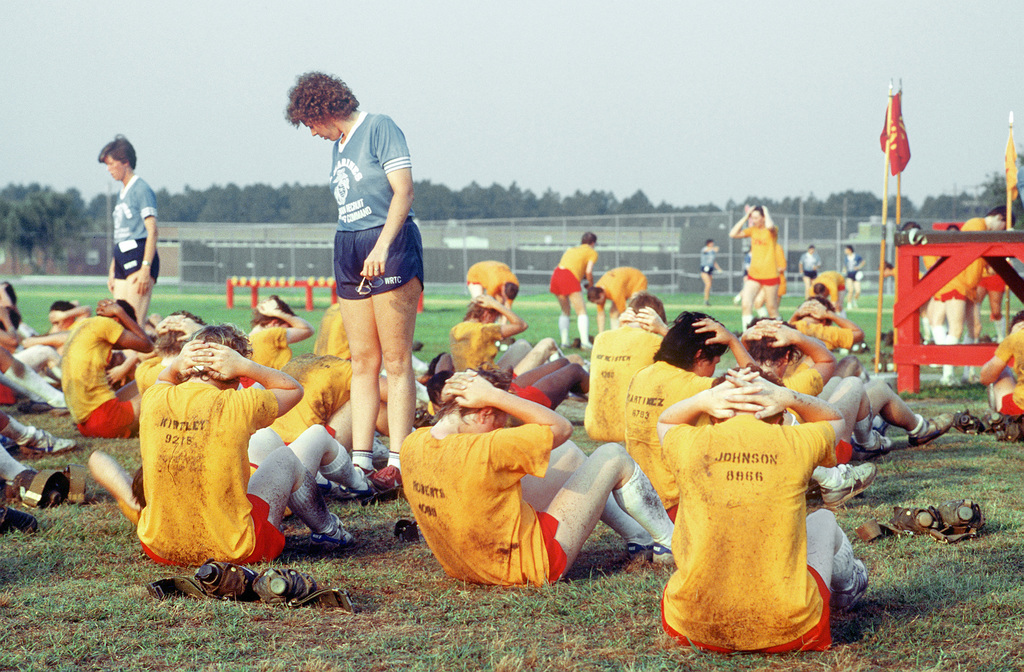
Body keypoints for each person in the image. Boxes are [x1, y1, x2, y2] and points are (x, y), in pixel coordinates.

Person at [89, 324, 354, 566]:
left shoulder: (155, 398)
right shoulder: (238, 404)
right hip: (232, 550)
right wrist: (247, 367)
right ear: (235, 372)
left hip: (160, 548)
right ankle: (329, 531)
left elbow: (164, 380)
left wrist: (176, 365)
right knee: (285, 458)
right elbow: (293, 390)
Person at [401, 368, 675, 586]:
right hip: (533, 564)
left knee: (565, 454)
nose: (502, 427)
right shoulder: (488, 448)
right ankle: (669, 543)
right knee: (613, 455)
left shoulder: (412, 445)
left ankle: (637, 535)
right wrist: (497, 396)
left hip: (463, 566)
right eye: (500, 419)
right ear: (485, 412)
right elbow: (562, 427)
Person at [657, 371, 869, 653]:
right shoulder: (796, 441)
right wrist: (790, 397)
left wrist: (701, 399)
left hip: (691, 627)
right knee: (823, 519)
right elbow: (836, 420)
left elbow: (665, 421)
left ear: (714, 414)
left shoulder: (690, 443)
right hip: (794, 630)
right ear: (779, 416)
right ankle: (848, 587)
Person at [286, 71, 423, 492]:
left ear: (322, 110)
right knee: (362, 362)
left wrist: (382, 247)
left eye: (309, 123)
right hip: (348, 243)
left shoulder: (379, 126)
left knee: (396, 361)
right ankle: (361, 462)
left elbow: (403, 192)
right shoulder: (338, 145)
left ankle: (400, 462)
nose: (311, 133)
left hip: (390, 241)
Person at [624, 312, 754, 519]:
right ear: (699, 356)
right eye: (714, 363)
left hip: (637, 501)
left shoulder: (642, 375)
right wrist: (733, 340)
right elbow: (762, 386)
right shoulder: (697, 386)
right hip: (676, 506)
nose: (713, 371)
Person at [930, 207, 1012, 385]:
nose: (1002, 232)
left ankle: (968, 373)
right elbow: (972, 247)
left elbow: (989, 267)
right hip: (957, 283)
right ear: (1000, 218)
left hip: (970, 287)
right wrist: (1003, 239)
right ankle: (947, 374)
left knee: (975, 328)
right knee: (956, 329)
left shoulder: (986, 233)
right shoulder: (977, 224)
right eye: (1004, 228)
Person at [61, 299, 153, 438]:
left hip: (85, 425)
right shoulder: (107, 324)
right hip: (106, 421)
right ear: (117, 319)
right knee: (163, 386)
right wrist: (120, 312)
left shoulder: (85, 325)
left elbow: (134, 345)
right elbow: (147, 346)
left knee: (142, 378)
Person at [585, 292, 667, 443]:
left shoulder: (601, 338)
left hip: (593, 428)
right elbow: (691, 363)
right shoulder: (656, 341)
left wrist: (619, 328)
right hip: (632, 432)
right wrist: (663, 329)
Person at [98, 136, 160, 324]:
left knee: (132, 324)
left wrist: (145, 268)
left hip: (139, 257)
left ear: (125, 162)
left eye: (111, 164)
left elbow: (153, 231)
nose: (108, 170)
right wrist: (112, 269)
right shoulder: (122, 192)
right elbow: (121, 235)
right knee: (117, 323)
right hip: (121, 259)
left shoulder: (141, 189)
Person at [730, 206, 780, 329]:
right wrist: (746, 216)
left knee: (771, 308)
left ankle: (780, 334)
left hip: (770, 274)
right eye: (752, 218)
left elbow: (769, 226)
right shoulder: (752, 230)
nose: (754, 220)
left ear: (763, 218)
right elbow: (733, 234)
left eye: (756, 217)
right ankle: (747, 338)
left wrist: (766, 211)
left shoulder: (771, 230)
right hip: (754, 275)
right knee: (746, 304)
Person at [550, 232, 598, 349]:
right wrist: (591, 286)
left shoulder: (571, 249)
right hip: (569, 277)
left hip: (556, 275)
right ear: (593, 243)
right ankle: (585, 342)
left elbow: (574, 267)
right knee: (581, 311)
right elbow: (588, 271)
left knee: (565, 311)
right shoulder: (592, 252)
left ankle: (564, 342)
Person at [249, 295, 314, 370]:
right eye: (289, 326)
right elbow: (308, 329)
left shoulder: (245, 340)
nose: (291, 329)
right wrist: (279, 314)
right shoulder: (272, 334)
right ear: (274, 323)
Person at [980, 310, 1024, 415]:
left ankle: (999, 419)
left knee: (1001, 371)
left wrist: (1011, 338)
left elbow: (985, 377)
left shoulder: (1016, 337)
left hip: (1019, 411)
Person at [586, 266, 647, 333]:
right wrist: (600, 335)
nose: (598, 304)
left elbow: (624, 313)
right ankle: (615, 334)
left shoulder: (615, 292)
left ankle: (634, 333)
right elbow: (600, 314)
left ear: (601, 295)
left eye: (597, 302)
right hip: (623, 284)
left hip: (637, 280)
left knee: (634, 309)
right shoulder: (598, 289)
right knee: (613, 312)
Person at [699, 240, 721, 306]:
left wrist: (719, 269)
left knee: (710, 284)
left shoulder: (713, 252)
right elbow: (705, 251)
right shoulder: (705, 249)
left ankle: (707, 300)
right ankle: (705, 300)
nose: (713, 244)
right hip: (704, 270)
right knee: (708, 284)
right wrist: (713, 248)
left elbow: (713, 262)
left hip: (710, 270)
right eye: (711, 243)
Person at [843, 246, 866, 310]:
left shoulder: (856, 256)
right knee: (850, 290)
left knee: (858, 291)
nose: (845, 251)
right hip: (849, 275)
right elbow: (845, 265)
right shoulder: (846, 258)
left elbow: (863, 262)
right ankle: (849, 304)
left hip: (856, 275)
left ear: (850, 250)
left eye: (846, 250)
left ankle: (854, 300)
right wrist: (844, 270)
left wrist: (858, 267)